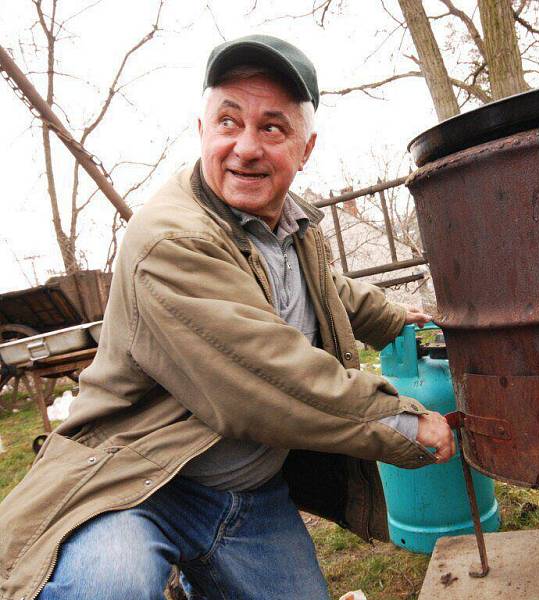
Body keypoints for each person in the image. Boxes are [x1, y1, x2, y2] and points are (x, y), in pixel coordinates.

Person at [0, 34, 455, 600]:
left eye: (271, 127)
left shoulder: (287, 226)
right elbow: (264, 377)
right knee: (105, 586)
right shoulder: (170, 241)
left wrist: (392, 317)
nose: (245, 148)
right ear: (202, 131)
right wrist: (402, 423)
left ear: (305, 149)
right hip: (138, 480)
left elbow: (324, 289)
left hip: (249, 493)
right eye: (228, 122)